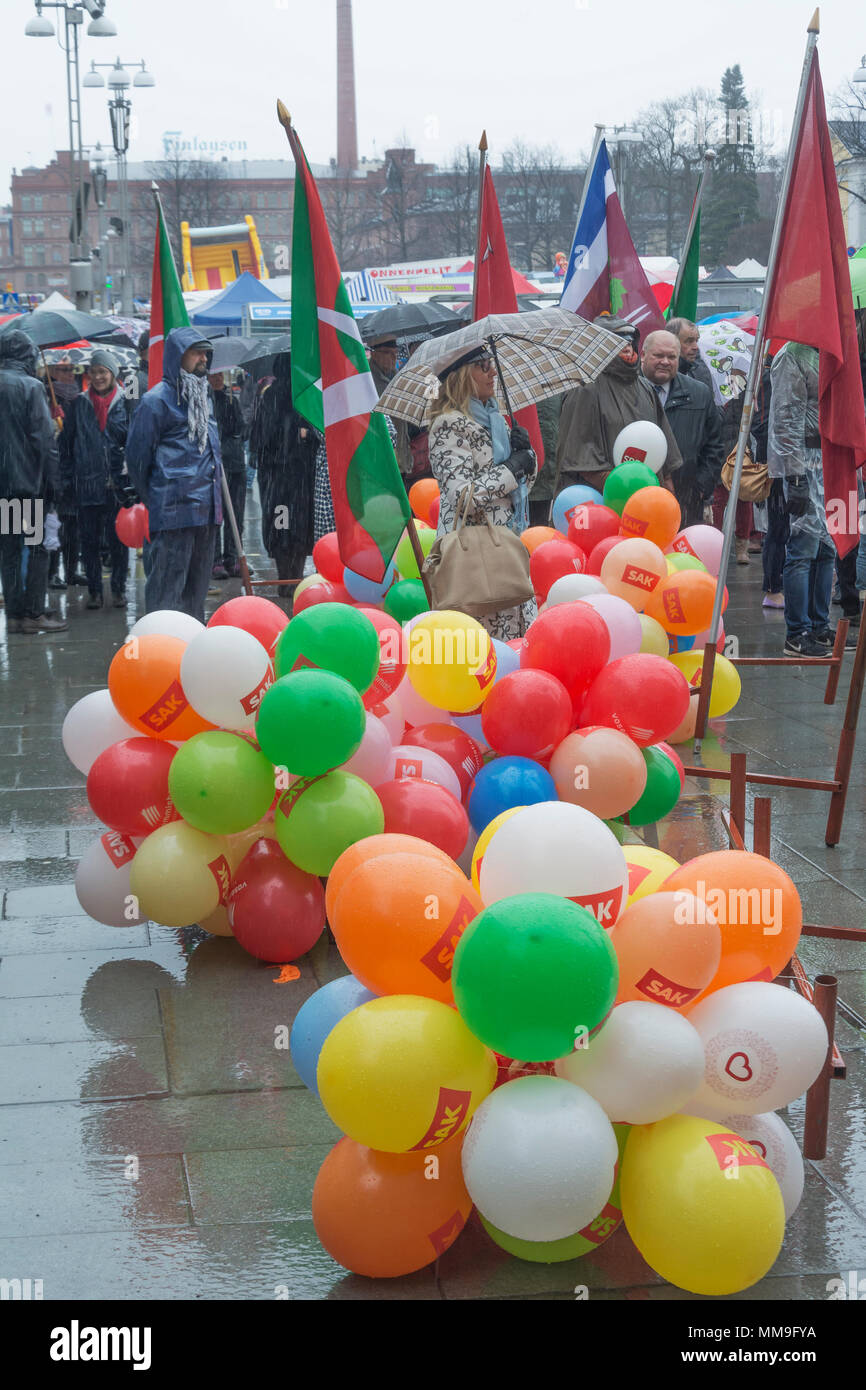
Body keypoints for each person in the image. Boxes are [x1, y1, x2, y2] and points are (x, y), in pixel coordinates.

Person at [427, 344, 537, 640]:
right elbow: (462, 498)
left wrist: (526, 456)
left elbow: (520, 489)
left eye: (491, 363)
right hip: (472, 556)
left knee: (518, 644)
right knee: (481, 650)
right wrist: (512, 468)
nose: (492, 372)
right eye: (482, 365)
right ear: (461, 375)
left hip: (506, 549)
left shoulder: (495, 420)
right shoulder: (449, 425)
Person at [126, 326, 222, 623]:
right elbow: (137, 458)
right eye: (196, 352)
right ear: (177, 357)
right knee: (166, 591)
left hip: (207, 510)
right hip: (174, 510)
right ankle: (160, 646)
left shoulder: (204, 397)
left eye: (206, 352)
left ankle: (190, 645)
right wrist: (160, 495)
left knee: (196, 591)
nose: (204, 358)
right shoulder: (156, 401)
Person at [767, 340, 850, 655]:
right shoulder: (792, 355)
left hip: (830, 460)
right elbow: (785, 418)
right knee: (802, 549)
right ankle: (797, 632)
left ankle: (818, 625)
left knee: (828, 548)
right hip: (805, 461)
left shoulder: (831, 353)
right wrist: (795, 475)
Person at [555, 317, 682, 493]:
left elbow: (665, 454)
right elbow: (580, 458)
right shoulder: (584, 388)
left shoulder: (645, 387)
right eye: (617, 341)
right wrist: (626, 487)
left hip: (646, 500)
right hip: (599, 500)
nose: (627, 346)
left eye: (630, 341)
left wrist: (666, 492)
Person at [0, 329, 67, 633]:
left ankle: (15, 615)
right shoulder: (30, 386)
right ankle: (34, 613)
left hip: (4, 485)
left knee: (11, 551)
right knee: (37, 547)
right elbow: (44, 441)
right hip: (26, 482)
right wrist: (54, 482)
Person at [59, 348, 133, 609]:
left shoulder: (126, 401)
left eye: (103, 372)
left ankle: (118, 589)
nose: (98, 377)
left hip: (117, 485)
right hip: (86, 483)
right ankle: (94, 591)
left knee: (119, 541)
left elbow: (133, 441)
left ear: (112, 374)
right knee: (88, 541)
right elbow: (66, 445)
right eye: (94, 372)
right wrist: (67, 479)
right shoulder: (79, 404)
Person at [641, 329, 724, 528]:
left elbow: (714, 446)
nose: (665, 361)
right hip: (636, 498)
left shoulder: (699, 394)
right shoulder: (628, 392)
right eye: (658, 355)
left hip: (686, 502)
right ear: (643, 355)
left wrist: (700, 489)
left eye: (671, 356)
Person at [251, 355, 319, 595]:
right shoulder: (302, 397)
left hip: (278, 481)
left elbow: (260, 439)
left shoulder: (269, 396)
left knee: (282, 525)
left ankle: (286, 579)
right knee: (297, 526)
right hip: (296, 478)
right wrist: (300, 436)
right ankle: (295, 578)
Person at [713, 354, 754, 565]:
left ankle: (742, 546)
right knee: (719, 499)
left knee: (743, 498)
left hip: (740, 449)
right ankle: (715, 544)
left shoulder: (741, 385)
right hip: (718, 449)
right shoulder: (709, 383)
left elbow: (750, 419)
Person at [208, 370, 247, 579]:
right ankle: (215, 560)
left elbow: (241, 427)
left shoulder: (232, 398)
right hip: (215, 465)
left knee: (236, 513)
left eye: (220, 375)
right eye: (213, 375)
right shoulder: (204, 399)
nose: (217, 378)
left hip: (235, 463)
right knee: (216, 513)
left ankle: (233, 557)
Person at [368, 335, 412, 477]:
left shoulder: (397, 375)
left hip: (401, 452)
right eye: (388, 353)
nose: (393, 357)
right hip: (380, 454)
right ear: (374, 353)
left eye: (395, 353)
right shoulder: (367, 379)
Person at [666, 317, 716, 396]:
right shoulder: (660, 374)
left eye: (696, 341)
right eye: (689, 341)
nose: (696, 347)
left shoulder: (702, 371)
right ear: (672, 341)